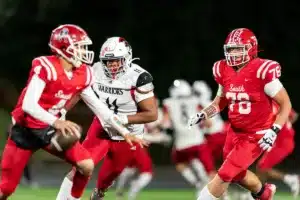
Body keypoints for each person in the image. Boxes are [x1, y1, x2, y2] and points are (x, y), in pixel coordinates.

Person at [0, 24, 136, 200]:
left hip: (49, 130)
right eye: (79, 46)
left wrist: (124, 131)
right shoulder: (46, 66)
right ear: (64, 48)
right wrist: (57, 121)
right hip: (26, 129)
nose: (83, 50)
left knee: (86, 165)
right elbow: (28, 105)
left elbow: (98, 106)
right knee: (6, 189)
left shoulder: (83, 73)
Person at [188, 28, 292, 200]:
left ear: (251, 48)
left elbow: (285, 104)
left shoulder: (261, 71)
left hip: (255, 135)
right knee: (236, 174)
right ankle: (264, 194)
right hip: (234, 131)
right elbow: (220, 102)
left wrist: (274, 131)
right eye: (230, 49)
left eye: (238, 48)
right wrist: (203, 114)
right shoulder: (223, 69)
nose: (233, 53)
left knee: (224, 174)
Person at [56, 37, 157, 200]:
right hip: (102, 127)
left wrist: (120, 119)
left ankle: (99, 192)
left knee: (109, 176)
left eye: (116, 61)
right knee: (80, 166)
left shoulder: (139, 77)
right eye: (108, 61)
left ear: (127, 58)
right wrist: (60, 111)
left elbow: (152, 114)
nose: (112, 65)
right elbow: (80, 92)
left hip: (129, 134)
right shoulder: (95, 70)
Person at [163, 79, 214, 198]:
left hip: (181, 143)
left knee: (179, 163)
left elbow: (165, 123)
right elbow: (208, 123)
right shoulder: (196, 101)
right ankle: (222, 195)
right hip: (198, 141)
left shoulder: (168, 103)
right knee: (210, 171)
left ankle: (197, 183)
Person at [115, 105, 171, 200]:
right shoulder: (142, 115)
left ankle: (119, 191)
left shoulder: (132, 112)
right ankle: (132, 192)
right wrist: (161, 137)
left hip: (129, 146)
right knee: (147, 173)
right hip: (137, 146)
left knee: (129, 170)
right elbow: (145, 135)